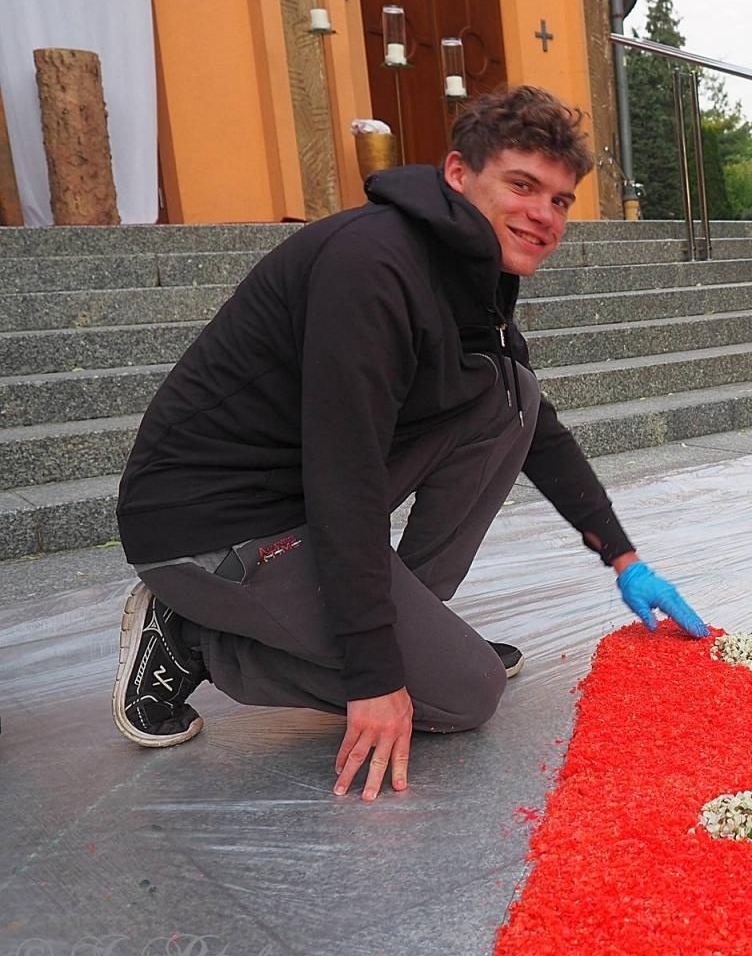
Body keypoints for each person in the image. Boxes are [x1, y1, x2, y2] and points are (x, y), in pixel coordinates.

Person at [113, 86, 707, 801]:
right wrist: (375, 674)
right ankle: (192, 638)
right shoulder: (373, 265)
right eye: (521, 186)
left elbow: (537, 429)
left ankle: (413, 631)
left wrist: (625, 559)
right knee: (465, 693)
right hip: (213, 526)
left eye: (559, 200)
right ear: (458, 173)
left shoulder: (469, 271)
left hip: (297, 498)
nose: (543, 215)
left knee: (509, 395)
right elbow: (344, 476)